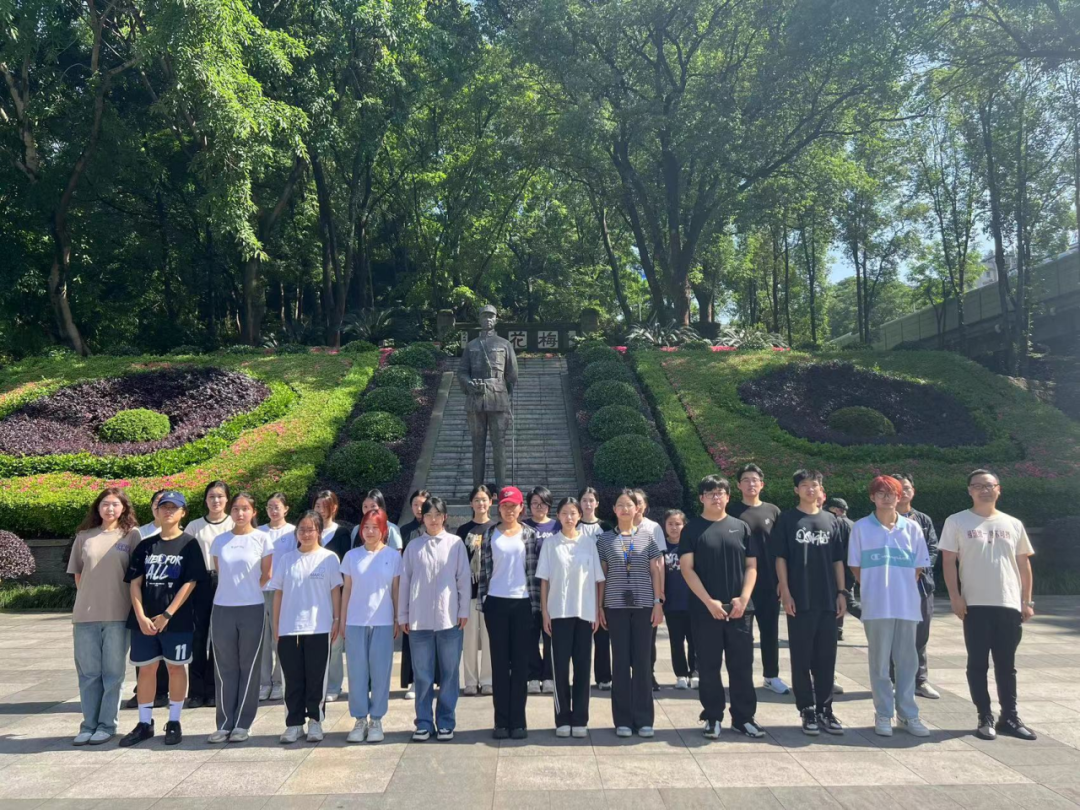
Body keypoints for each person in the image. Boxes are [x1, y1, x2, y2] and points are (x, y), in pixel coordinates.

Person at [940, 469, 1037, 742]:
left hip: (1008, 603)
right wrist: (955, 596)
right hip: (975, 604)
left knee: (1007, 665)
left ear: (998, 489)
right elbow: (948, 561)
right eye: (978, 486)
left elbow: (1023, 563)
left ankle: (1010, 716)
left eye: (989, 485)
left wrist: (1027, 600)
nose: (984, 490)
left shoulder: (1013, 523)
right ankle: (984, 716)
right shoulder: (957, 521)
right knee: (977, 663)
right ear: (969, 490)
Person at [120, 491, 208, 747]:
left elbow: (190, 582)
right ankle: (144, 723)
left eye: (174, 507)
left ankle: (174, 720)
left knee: (175, 668)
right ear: (156, 511)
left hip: (177, 621)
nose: (168, 511)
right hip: (145, 621)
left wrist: (168, 614)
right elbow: (135, 583)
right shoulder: (145, 545)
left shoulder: (189, 544)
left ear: (183, 513)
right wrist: (140, 616)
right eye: (164, 507)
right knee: (147, 669)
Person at [680, 476, 764, 740]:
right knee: (708, 666)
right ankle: (712, 716)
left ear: (728, 497)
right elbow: (687, 569)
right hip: (706, 610)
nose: (716, 497)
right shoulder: (692, 530)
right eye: (710, 493)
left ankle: (743, 718)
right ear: (701, 498)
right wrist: (709, 602)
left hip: (740, 610)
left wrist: (743, 598)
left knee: (742, 666)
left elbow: (751, 567)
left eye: (720, 493)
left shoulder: (741, 527)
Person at [848, 477, 931, 738]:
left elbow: (918, 567)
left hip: (906, 605)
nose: (886, 498)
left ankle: (908, 714)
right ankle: (883, 712)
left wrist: (898, 587)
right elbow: (856, 567)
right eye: (880, 493)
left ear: (899, 497)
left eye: (891, 493)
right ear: (872, 497)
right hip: (876, 606)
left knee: (908, 662)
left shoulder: (912, 528)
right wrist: (876, 588)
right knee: (879, 663)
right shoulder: (861, 528)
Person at [773, 470, 847, 736]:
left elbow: (838, 559)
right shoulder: (787, 519)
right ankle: (806, 709)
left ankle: (826, 708)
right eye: (804, 485)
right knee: (801, 657)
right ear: (796, 490)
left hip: (828, 598)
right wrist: (785, 590)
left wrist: (842, 592)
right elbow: (780, 558)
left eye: (814, 485)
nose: (809, 489)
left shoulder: (832, 520)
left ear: (821, 489)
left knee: (826, 657)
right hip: (799, 598)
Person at [69, 487, 140, 745]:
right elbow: (79, 575)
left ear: (123, 508)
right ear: (97, 508)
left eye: (115, 504)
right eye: (105, 504)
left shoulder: (131, 536)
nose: (110, 508)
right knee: (88, 674)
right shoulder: (84, 537)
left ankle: (107, 725)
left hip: (118, 615)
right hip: (85, 616)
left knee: (113, 674)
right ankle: (88, 725)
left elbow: (137, 576)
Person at [398, 496, 471, 742]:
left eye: (437, 515)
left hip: (448, 618)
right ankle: (424, 722)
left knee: (450, 673)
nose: (433, 520)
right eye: (428, 515)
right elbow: (405, 582)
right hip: (419, 620)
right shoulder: (413, 547)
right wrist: (403, 614)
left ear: (444, 517)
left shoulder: (455, 544)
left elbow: (463, 579)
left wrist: (463, 611)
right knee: (422, 674)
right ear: (422, 518)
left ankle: (446, 722)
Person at [270, 510, 343, 744]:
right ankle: (293, 724)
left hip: (318, 627)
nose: (306, 533)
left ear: (319, 531)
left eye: (311, 529)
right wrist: (276, 624)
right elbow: (278, 594)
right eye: (301, 529)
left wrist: (336, 620)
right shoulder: (286, 559)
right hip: (289, 628)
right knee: (292, 679)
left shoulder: (329, 558)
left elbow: (335, 592)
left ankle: (315, 721)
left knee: (316, 678)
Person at [208, 492, 274, 743]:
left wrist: (248, 591)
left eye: (245, 508)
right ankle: (225, 722)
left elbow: (267, 574)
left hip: (252, 607)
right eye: (235, 509)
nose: (240, 513)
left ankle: (243, 723)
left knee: (249, 665)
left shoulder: (262, 539)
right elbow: (220, 571)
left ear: (254, 512)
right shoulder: (220, 540)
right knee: (224, 666)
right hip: (222, 608)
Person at [598, 490, 663, 738]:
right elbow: (602, 576)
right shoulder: (604, 540)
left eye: (630, 505)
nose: (625, 509)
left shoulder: (648, 537)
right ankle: (623, 720)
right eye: (620, 505)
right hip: (615, 607)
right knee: (621, 662)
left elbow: (656, 571)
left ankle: (644, 719)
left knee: (643, 662)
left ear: (638, 509)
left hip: (644, 605)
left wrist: (658, 603)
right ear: (614, 510)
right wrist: (599, 606)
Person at [477, 486, 541, 740]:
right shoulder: (490, 534)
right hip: (496, 603)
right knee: (500, 664)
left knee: (521, 664)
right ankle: (501, 722)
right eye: (504, 505)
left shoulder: (530, 535)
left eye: (513, 505)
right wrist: (483, 600)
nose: (509, 510)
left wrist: (537, 605)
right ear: (499, 508)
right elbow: (483, 571)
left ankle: (519, 721)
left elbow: (535, 572)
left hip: (523, 603)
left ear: (521, 508)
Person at [538, 497, 605, 737]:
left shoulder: (588, 543)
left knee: (583, 667)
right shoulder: (550, 544)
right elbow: (544, 581)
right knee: (560, 668)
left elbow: (598, 580)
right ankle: (562, 718)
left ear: (579, 516)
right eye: (565, 513)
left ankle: (580, 719)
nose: (569, 517)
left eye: (573, 513)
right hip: (558, 613)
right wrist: (545, 612)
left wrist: (597, 609)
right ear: (558, 516)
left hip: (584, 613)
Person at [341, 508, 401, 743]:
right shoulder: (351, 556)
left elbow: (395, 591)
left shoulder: (393, 556)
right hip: (355, 621)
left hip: (383, 621)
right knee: (357, 673)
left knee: (380, 673)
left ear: (384, 530)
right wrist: (342, 620)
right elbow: (347, 590)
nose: (370, 532)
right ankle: (359, 719)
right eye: (366, 527)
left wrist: (397, 619)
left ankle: (376, 719)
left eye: (375, 527)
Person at [728, 464, 787, 695]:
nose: (751, 484)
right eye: (746, 480)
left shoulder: (773, 511)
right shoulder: (732, 511)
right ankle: (741, 678)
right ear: (738, 485)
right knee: (741, 635)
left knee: (770, 632)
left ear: (762, 484)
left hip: (769, 582)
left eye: (754, 480)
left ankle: (771, 676)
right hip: (739, 583)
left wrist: (783, 581)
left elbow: (782, 548)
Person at [185, 480, 235, 709]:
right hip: (199, 582)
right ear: (205, 500)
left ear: (227, 499)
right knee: (197, 637)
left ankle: (214, 689)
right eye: (212, 496)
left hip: (226, 583)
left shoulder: (234, 523)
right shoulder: (194, 526)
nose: (216, 500)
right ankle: (196, 692)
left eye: (220, 496)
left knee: (219, 638)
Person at [890, 473, 941, 699]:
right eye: (898, 488)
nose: (903, 492)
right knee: (892, 635)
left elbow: (932, 548)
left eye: (907, 488)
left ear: (913, 491)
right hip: (891, 587)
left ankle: (920, 680)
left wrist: (917, 568)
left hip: (920, 586)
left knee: (920, 635)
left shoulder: (923, 520)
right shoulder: (882, 519)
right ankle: (893, 679)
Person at [457, 303, 519, 488]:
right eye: (484, 316)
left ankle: (502, 490)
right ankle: (477, 491)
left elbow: (512, 374)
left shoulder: (505, 344)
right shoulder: (471, 346)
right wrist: (469, 383)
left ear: (496, 319)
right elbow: (462, 371)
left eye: (491, 316)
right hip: (475, 398)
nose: (488, 319)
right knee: (477, 446)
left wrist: (503, 391)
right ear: (479, 319)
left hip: (498, 398)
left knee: (499, 445)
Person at [126, 489, 169, 709]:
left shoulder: (179, 533)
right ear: (152, 507)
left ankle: (162, 692)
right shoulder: (140, 533)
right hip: (143, 595)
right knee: (144, 648)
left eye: (166, 504)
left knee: (166, 648)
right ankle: (142, 691)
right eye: (157, 503)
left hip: (167, 597)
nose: (161, 508)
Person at [313, 489, 354, 701]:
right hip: (313, 593)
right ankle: (317, 683)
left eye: (324, 506)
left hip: (335, 593)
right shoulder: (309, 531)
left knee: (335, 641)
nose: (320, 509)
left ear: (334, 508)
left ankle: (334, 685)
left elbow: (346, 568)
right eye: (317, 505)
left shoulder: (342, 534)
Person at [458, 485, 496, 696]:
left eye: (484, 499)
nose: (481, 503)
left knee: (490, 639)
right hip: (469, 592)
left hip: (491, 592)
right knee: (469, 639)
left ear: (490, 502)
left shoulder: (496, 528)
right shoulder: (463, 530)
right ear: (471, 503)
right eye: (477, 500)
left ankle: (488, 680)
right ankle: (471, 681)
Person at [257, 492, 295, 701]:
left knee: (280, 637)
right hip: (260, 590)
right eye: (270, 507)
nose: (273, 511)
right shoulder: (259, 532)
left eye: (277, 507)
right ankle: (264, 682)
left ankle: (279, 681)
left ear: (286, 509)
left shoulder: (293, 532)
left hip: (283, 591)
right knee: (262, 638)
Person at [524, 486, 558, 694]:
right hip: (529, 588)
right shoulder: (523, 526)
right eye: (535, 503)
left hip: (553, 589)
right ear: (528, 506)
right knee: (530, 635)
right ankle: (533, 676)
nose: (539, 507)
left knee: (551, 635)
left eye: (543, 503)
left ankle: (549, 675)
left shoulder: (557, 526)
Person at [578, 487, 613, 690]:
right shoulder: (574, 525)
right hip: (580, 587)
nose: (588, 504)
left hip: (603, 585)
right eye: (584, 500)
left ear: (597, 503)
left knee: (602, 634)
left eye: (591, 500)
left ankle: (603, 677)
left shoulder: (606, 527)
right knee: (582, 636)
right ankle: (581, 678)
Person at [631, 488, 665, 690]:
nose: (636, 506)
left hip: (648, 590)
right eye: (632, 502)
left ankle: (648, 674)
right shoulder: (619, 528)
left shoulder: (653, 528)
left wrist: (660, 592)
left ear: (645, 506)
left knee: (648, 637)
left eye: (639, 502)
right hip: (625, 592)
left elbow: (660, 563)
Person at [398, 489, 430, 700]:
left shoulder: (437, 529)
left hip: (434, 592)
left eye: (423, 504)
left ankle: (432, 679)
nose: (419, 508)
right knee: (412, 638)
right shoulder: (405, 531)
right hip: (412, 591)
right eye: (415, 505)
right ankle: (414, 680)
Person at [660, 509, 696, 690]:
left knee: (695, 640)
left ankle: (695, 672)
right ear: (665, 526)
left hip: (692, 601)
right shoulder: (661, 547)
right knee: (676, 641)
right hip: (672, 603)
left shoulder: (691, 545)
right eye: (670, 524)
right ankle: (681, 674)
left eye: (678, 524)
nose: (674, 527)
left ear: (684, 525)